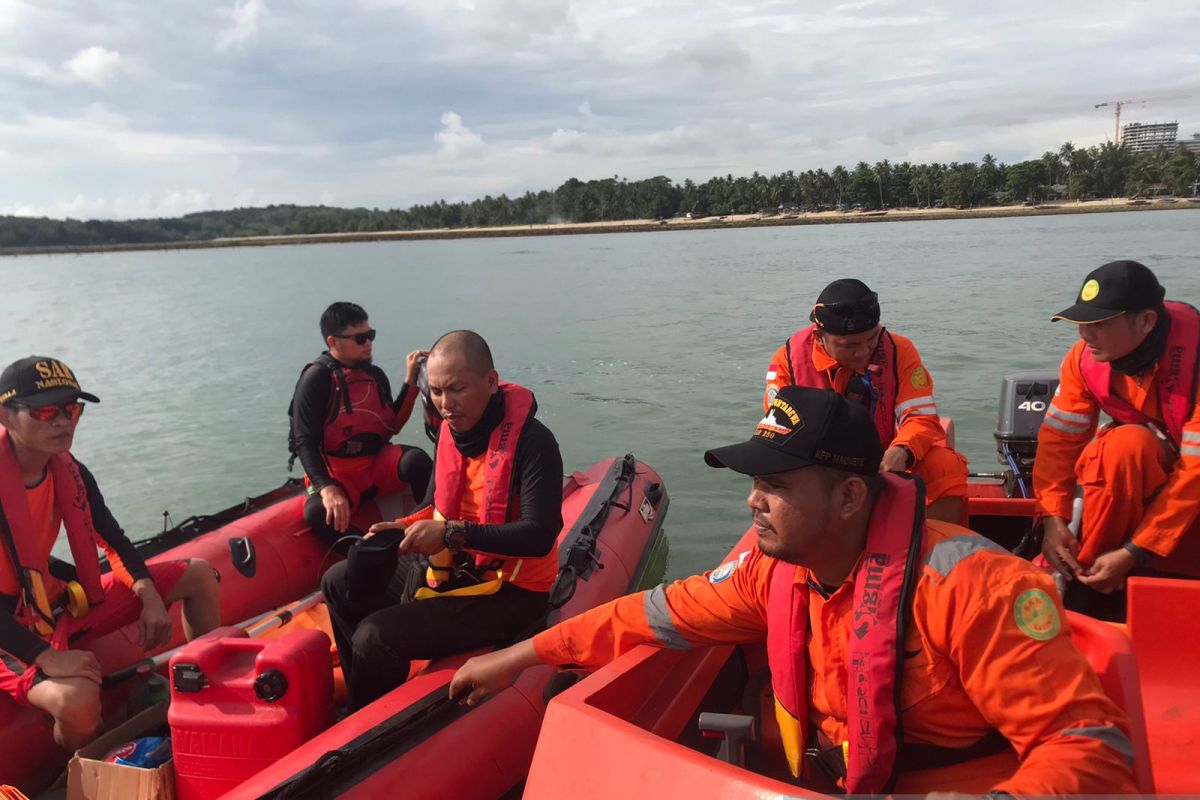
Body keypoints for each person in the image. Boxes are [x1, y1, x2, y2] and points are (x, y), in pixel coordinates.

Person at [452, 386, 1137, 796]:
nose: (753, 503)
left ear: (847, 497)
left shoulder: (976, 587)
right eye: (754, 484)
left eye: (775, 486)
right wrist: (520, 657)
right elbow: (645, 615)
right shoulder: (773, 574)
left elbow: (1093, 753)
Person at [321, 330, 563, 710]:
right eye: (435, 391)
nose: (445, 404)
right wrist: (400, 528)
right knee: (337, 581)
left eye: (456, 389)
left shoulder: (535, 443)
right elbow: (434, 506)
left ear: (491, 381)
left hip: (512, 592)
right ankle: (369, 697)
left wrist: (452, 535)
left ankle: (364, 725)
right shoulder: (449, 433)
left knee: (375, 636)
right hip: (457, 568)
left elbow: (540, 536)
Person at [0, 356, 221, 750]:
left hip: (51, 604)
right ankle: (72, 775)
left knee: (198, 574)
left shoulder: (68, 470)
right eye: (46, 411)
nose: (63, 421)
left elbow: (113, 540)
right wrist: (44, 657)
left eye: (71, 409)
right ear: (6, 415)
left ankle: (210, 700)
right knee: (77, 700)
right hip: (8, 629)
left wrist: (148, 595)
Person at [1035, 260, 1200, 620]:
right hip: (1158, 464)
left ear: (1146, 321)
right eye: (1081, 323)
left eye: (1099, 324)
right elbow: (1058, 443)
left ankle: (1104, 582)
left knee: (1125, 449)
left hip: (1189, 482)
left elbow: (1195, 472)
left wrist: (1134, 551)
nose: (1084, 335)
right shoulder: (1083, 360)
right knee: (1118, 449)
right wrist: (1052, 517)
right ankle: (1089, 579)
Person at [763, 279, 969, 524]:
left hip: (885, 458)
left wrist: (901, 450)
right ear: (819, 337)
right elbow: (780, 435)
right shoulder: (788, 361)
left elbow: (920, 416)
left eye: (871, 339)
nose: (863, 351)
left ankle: (934, 552)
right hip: (819, 464)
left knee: (943, 465)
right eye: (849, 345)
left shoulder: (899, 350)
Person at [290, 302, 433, 549]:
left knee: (417, 460)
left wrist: (410, 380)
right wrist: (326, 488)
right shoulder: (316, 379)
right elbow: (304, 441)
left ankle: (430, 531)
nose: (368, 343)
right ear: (333, 342)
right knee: (317, 513)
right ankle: (372, 553)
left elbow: (392, 426)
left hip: (376, 465)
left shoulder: (374, 375)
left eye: (370, 335)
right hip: (339, 472)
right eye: (360, 338)